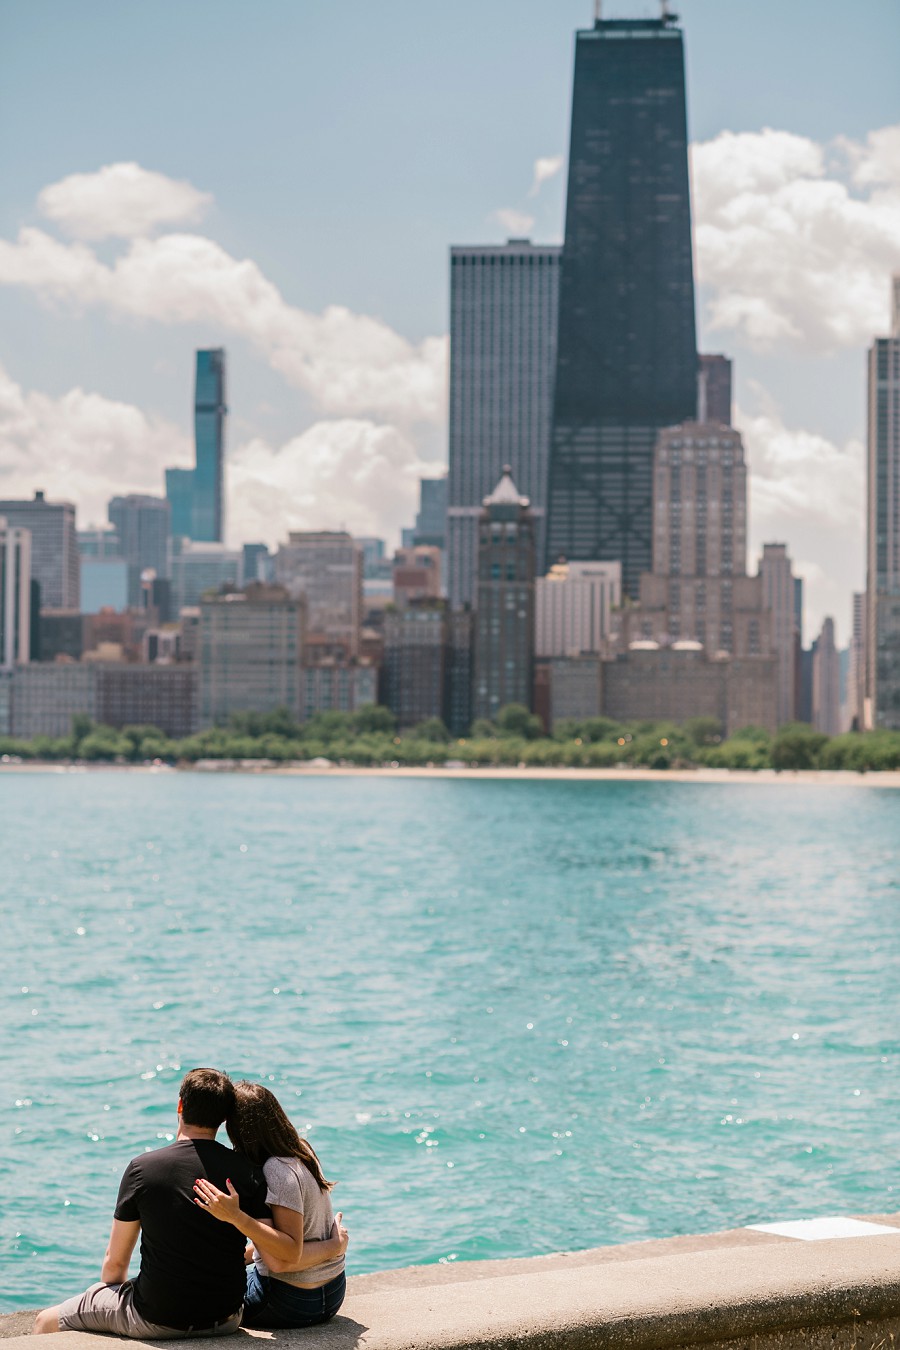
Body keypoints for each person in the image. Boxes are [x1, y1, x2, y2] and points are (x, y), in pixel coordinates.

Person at [34, 1067, 270, 1339]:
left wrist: (108, 1299)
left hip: (156, 1318)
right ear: (225, 1118)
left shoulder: (142, 1169)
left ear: (180, 1105)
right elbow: (267, 1244)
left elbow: (114, 1265)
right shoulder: (247, 1170)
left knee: (46, 1320)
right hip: (226, 1317)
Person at [192, 1080, 347, 1329]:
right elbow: (279, 1246)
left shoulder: (275, 1170)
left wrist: (334, 1245)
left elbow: (281, 1260)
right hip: (333, 1292)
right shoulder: (301, 1151)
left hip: (289, 1301)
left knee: (203, 1295)